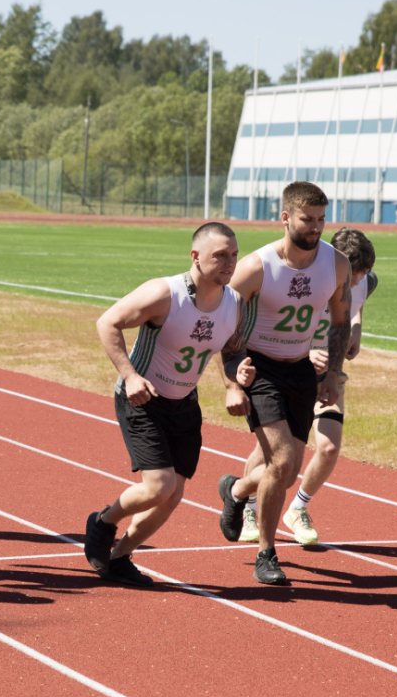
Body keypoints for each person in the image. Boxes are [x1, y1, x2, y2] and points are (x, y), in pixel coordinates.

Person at [86, 222, 251, 585]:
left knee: (171, 497)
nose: (229, 263)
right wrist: (130, 376)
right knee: (159, 486)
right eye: (220, 255)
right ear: (195, 256)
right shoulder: (165, 293)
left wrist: (232, 385)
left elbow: (231, 350)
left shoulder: (234, 303)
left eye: (234, 255)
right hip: (143, 398)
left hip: (185, 405)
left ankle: (119, 559)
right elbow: (107, 322)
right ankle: (104, 522)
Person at [215, 181, 351, 585]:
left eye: (322, 219)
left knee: (286, 473)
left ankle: (236, 491)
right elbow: (223, 324)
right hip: (260, 370)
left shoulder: (337, 264)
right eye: (308, 219)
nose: (316, 227)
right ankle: (267, 554)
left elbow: (339, 323)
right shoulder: (257, 267)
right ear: (286, 217)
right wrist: (231, 382)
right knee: (283, 463)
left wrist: (331, 375)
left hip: (302, 371)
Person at [237, 228, 378, 545]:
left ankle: (297, 507)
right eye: (353, 275)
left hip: (330, 375)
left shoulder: (366, 281)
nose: (356, 282)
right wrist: (306, 350)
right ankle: (247, 504)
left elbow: (353, 310)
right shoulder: (316, 276)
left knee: (328, 448)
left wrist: (355, 331)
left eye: (361, 275)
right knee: (272, 452)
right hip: (293, 368)